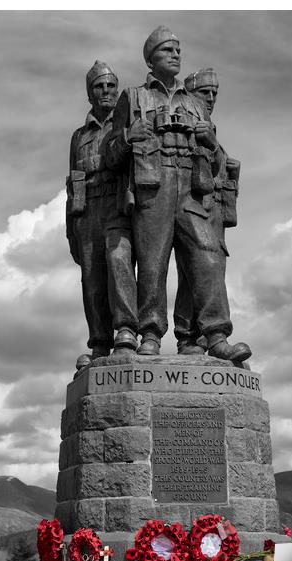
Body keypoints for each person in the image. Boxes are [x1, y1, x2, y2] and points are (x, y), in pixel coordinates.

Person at [107, 27, 250, 362]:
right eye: (167, 50)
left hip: (190, 185)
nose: (175, 55)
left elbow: (216, 162)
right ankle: (151, 333)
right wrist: (129, 136)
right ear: (150, 58)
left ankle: (215, 335)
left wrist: (212, 142)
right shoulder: (134, 97)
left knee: (208, 256)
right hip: (152, 186)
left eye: (178, 50)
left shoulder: (194, 103)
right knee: (153, 264)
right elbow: (112, 154)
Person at [173, 68, 251, 362]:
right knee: (205, 263)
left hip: (210, 209)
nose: (210, 98)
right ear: (189, 95)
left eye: (214, 93)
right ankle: (210, 334)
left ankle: (191, 337)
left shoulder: (210, 127)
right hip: (187, 204)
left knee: (197, 272)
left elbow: (217, 169)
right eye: (204, 92)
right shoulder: (188, 121)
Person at [66, 61, 138, 368]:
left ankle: (126, 330)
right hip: (87, 211)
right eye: (99, 86)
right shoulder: (78, 135)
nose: (106, 90)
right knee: (92, 278)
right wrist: (71, 228)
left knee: (118, 260)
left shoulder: (125, 123)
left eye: (110, 85)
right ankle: (99, 343)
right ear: (89, 93)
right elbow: (72, 182)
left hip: (116, 204)